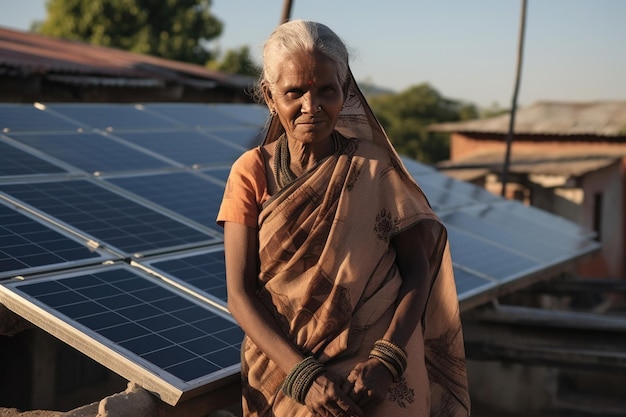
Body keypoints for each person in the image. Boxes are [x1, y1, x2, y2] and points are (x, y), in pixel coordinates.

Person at [217, 19, 470, 417]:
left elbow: (418, 271)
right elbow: (239, 295)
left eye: (326, 91)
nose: (311, 107)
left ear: (346, 91)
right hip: (287, 376)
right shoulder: (249, 172)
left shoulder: (375, 168)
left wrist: (387, 362)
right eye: (294, 93)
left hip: (375, 377)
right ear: (269, 96)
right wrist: (305, 377)